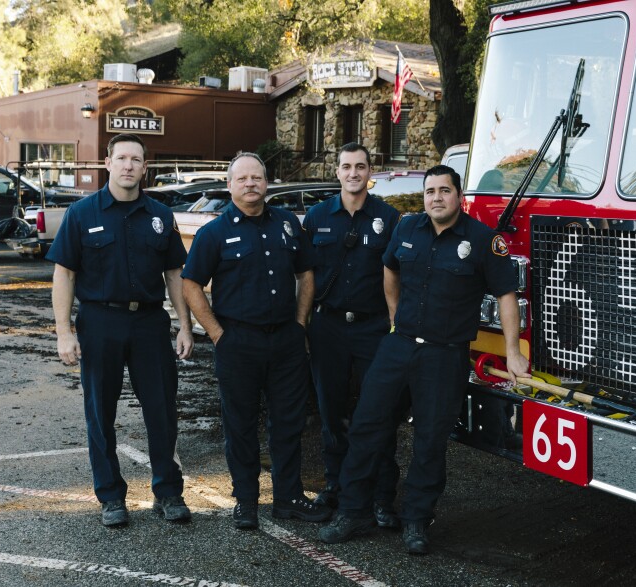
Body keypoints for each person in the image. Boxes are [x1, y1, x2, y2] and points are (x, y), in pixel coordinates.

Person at [319, 165, 530, 554]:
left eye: (444, 191)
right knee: (367, 426)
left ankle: (416, 520)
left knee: (430, 441)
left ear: (458, 196)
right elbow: (389, 267)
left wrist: (514, 352)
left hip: (444, 355)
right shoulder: (407, 228)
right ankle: (353, 510)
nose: (436, 197)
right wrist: (395, 315)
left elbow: (506, 295)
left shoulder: (484, 240)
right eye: (430, 191)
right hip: (397, 347)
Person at [49, 133, 194, 527]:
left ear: (145, 167)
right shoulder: (82, 214)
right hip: (99, 322)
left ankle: (168, 492)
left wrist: (185, 325)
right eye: (122, 158)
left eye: (136, 159)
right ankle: (111, 496)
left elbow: (175, 274)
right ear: (107, 162)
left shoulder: (162, 216)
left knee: (162, 411)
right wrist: (64, 331)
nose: (129, 165)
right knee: (100, 412)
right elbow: (64, 274)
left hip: (150, 322)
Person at [181, 152, 331, 529]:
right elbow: (190, 284)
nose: (251, 184)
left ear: (267, 183)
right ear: (229, 185)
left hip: (286, 341)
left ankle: (288, 498)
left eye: (257, 178)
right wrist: (216, 333)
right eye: (243, 178)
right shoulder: (213, 233)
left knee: (288, 423)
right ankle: (245, 500)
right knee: (240, 425)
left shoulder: (286, 224)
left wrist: (300, 322)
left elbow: (306, 273)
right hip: (238, 342)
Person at [303, 142, 403, 528]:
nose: (353, 173)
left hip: (372, 328)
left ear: (369, 171)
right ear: (338, 171)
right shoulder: (316, 217)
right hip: (328, 327)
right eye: (346, 167)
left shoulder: (388, 218)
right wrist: (304, 323)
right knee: (331, 410)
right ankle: (336, 484)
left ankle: (381, 495)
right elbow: (306, 276)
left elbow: (397, 275)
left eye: (360, 167)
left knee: (377, 412)